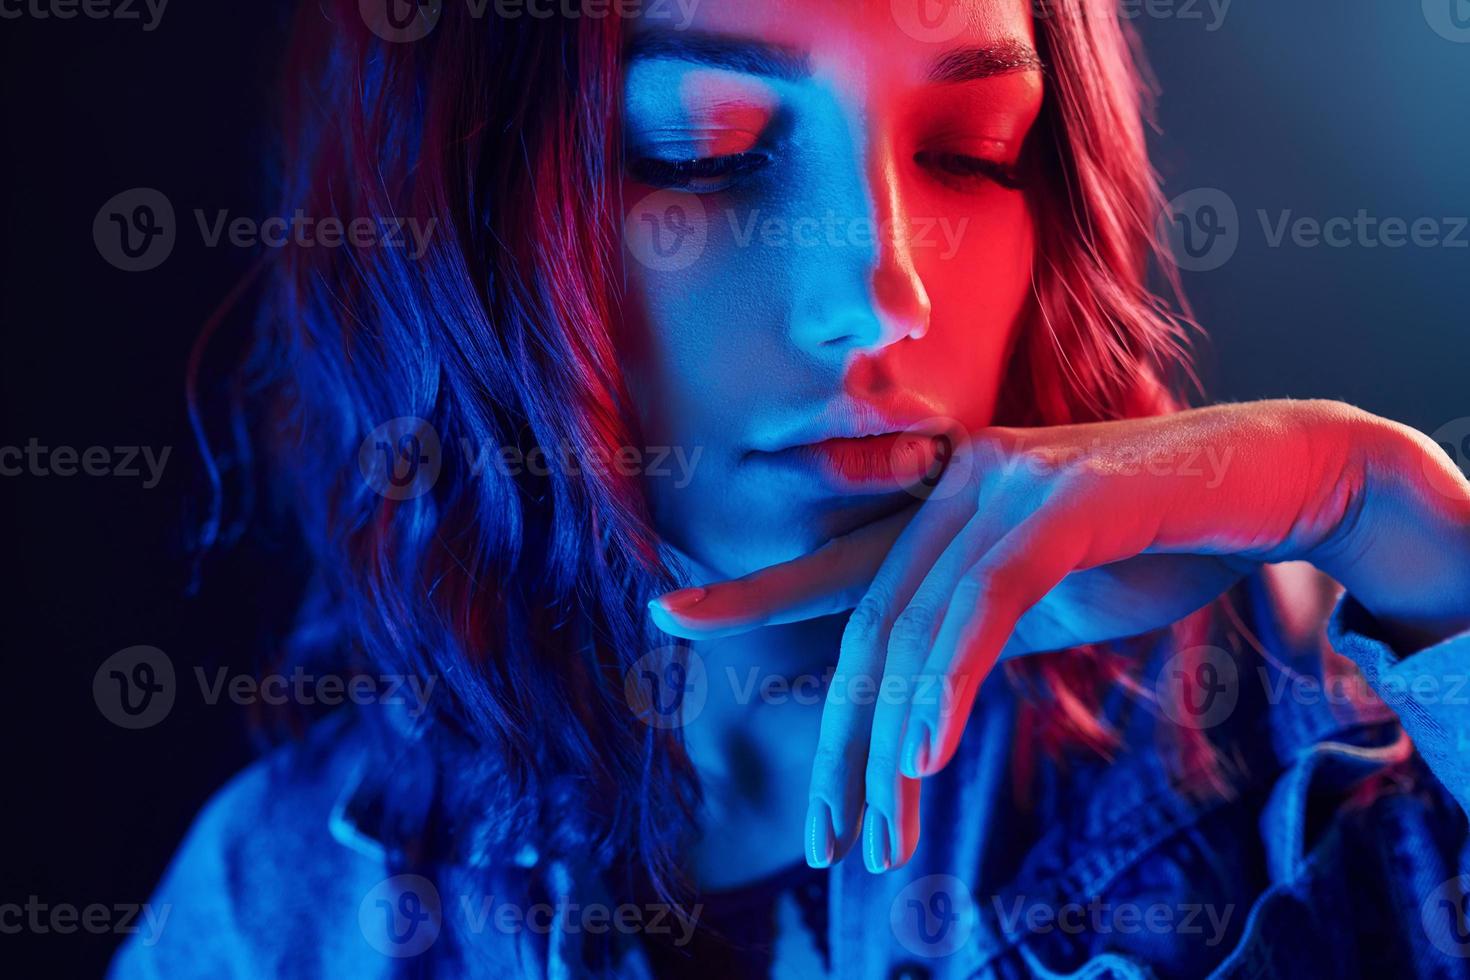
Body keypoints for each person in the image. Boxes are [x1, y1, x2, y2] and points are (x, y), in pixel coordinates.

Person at [112, 0, 1470, 976]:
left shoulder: (1284, 692)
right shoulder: (278, 905)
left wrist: (1387, 508)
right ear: (461, 229)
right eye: (699, 150)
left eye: (971, 149)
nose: (879, 295)